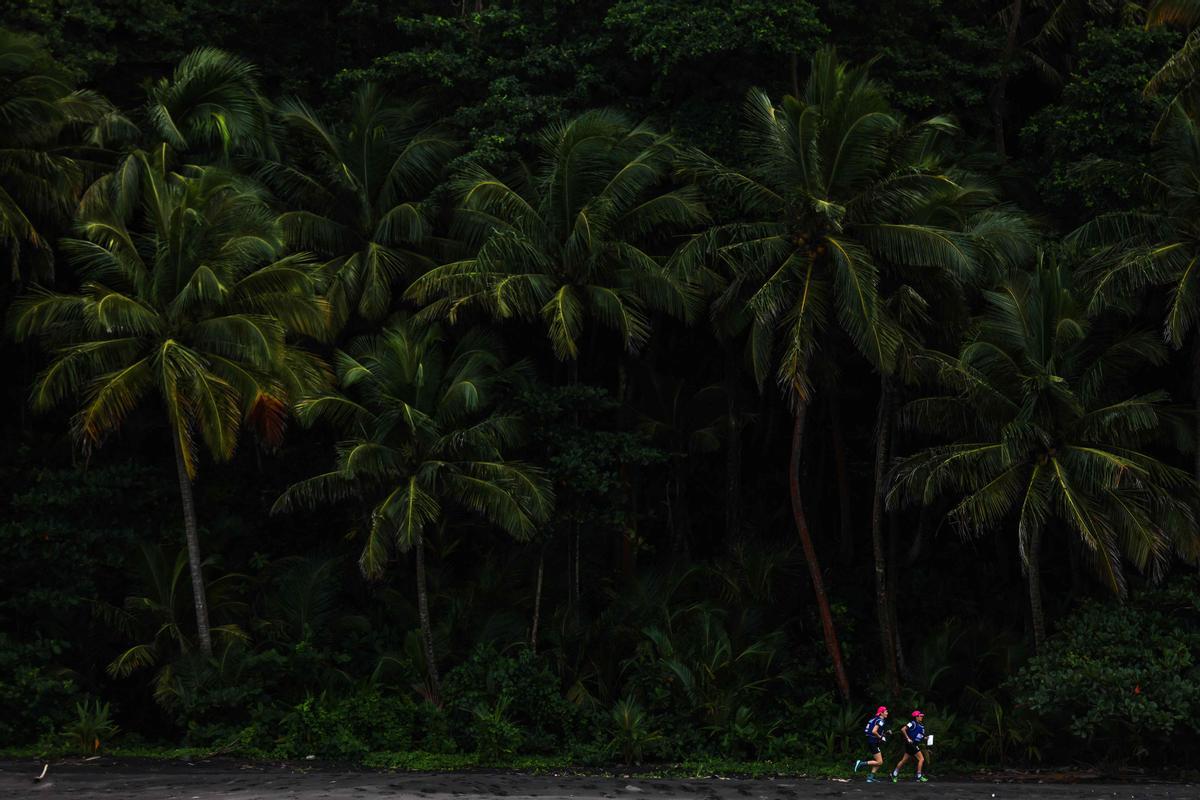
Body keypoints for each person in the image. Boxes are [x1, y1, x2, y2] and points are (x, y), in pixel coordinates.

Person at [891, 710, 929, 783]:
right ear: (916, 717)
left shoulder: (922, 726)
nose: (922, 717)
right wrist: (908, 738)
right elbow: (903, 729)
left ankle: (894, 774)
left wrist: (925, 738)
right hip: (911, 744)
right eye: (920, 716)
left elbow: (920, 736)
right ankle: (919, 776)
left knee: (904, 760)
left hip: (914, 744)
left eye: (922, 716)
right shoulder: (912, 723)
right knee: (921, 759)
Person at [853, 706, 889, 781]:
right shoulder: (881, 721)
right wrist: (880, 737)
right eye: (886, 712)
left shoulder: (874, 719)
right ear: (881, 713)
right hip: (873, 742)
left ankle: (870, 778)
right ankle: (861, 763)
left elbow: (871, 731)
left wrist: (884, 734)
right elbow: (874, 731)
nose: (887, 713)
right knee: (879, 762)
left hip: (871, 741)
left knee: (879, 762)